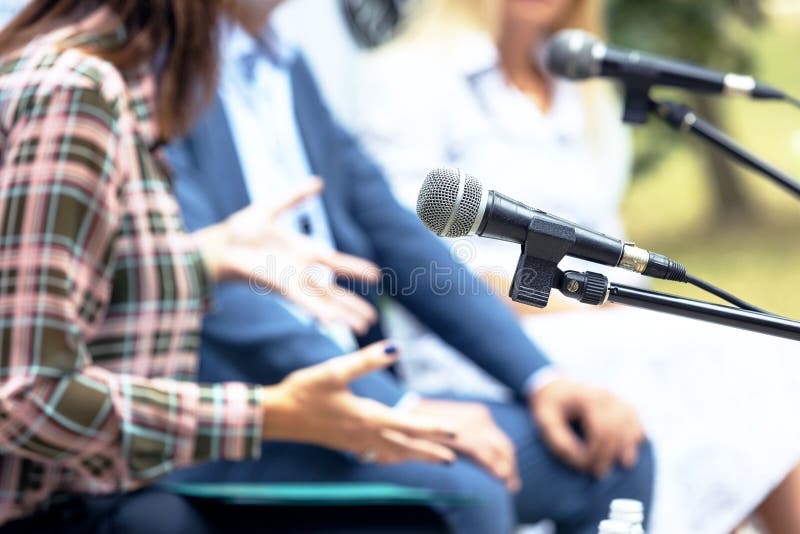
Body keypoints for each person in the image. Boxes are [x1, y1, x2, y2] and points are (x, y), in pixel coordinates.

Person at [165, 1, 655, 533]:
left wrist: (542, 380)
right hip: (244, 429)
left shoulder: (286, 60)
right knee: (470, 486)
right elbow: (211, 287)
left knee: (612, 455)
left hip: (362, 400)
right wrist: (402, 407)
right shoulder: (162, 70)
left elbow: (398, 236)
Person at [0, 1, 462, 531]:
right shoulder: (75, 91)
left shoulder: (96, 79)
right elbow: (28, 393)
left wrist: (200, 259)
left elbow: (51, 290)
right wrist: (269, 414)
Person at [353, 0, 800, 532]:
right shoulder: (406, 78)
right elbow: (422, 256)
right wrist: (569, 305)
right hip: (485, 345)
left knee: (758, 354)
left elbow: (604, 232)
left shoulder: (577, 82)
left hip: (600, 318)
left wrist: (613, 303)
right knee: (723, 365)